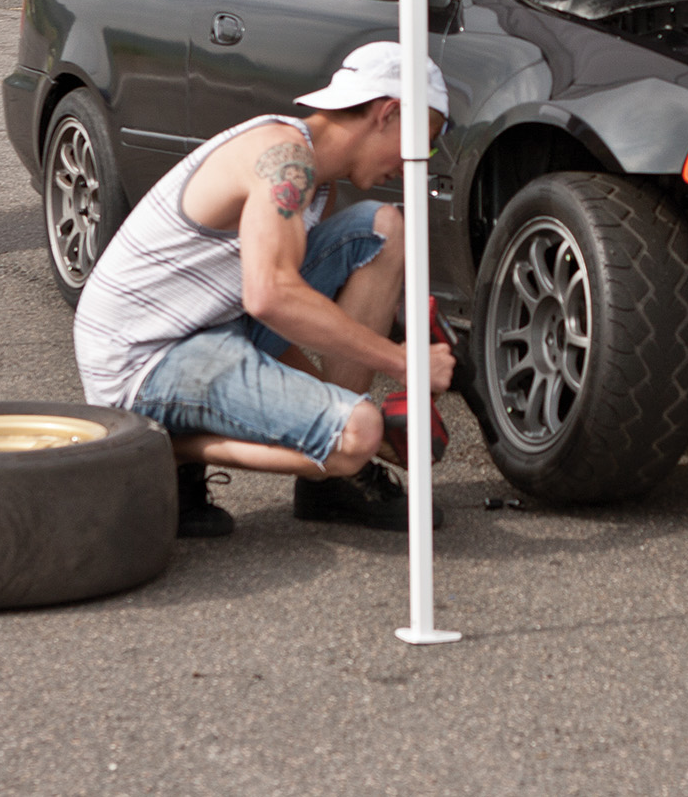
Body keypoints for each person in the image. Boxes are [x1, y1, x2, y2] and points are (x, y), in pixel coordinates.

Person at [73, 42, 457, 536]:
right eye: (423, 143)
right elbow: (270, 296)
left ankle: (332, 474)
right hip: (141, 361)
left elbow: (268, 313)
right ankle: (158, 449)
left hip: (206, 327)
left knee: (382, 228)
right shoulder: (284, 160)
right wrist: (402, 362)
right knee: (359, 432)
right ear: (388, 112)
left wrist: (323, 404)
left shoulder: (316, 179)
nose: (414, 164)